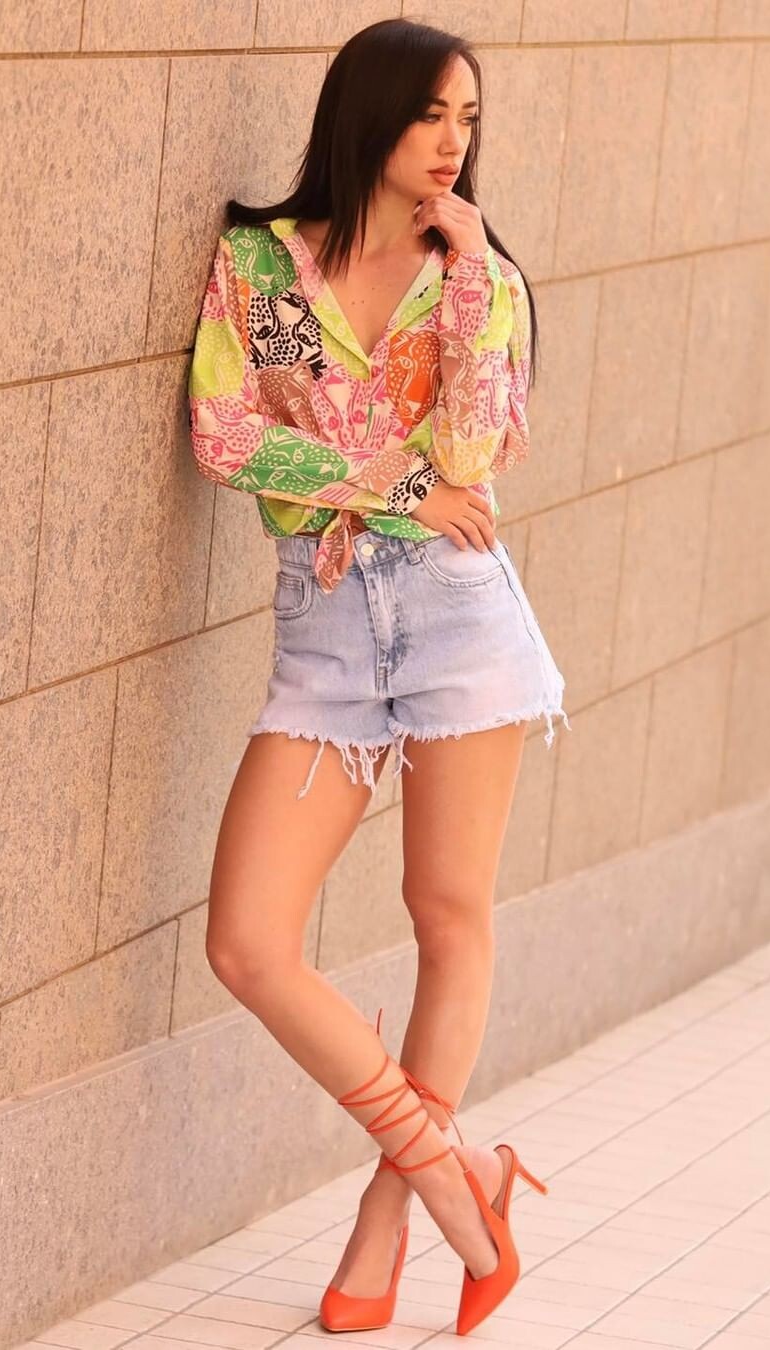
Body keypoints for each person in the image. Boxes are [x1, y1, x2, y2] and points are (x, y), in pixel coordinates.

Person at [187, 16, 570, 1337]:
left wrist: (469, 280)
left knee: (448, 915)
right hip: (329, 628)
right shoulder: (264, 265)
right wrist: (390, 487)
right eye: (430, 115)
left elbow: (475, 453)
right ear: (369, 115)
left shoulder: (479, 274)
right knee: (247, 940)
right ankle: (461, 1171)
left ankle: (388, 1214)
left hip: (460, 620)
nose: (452, 142)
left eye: (469, 119)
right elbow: (225, 436)